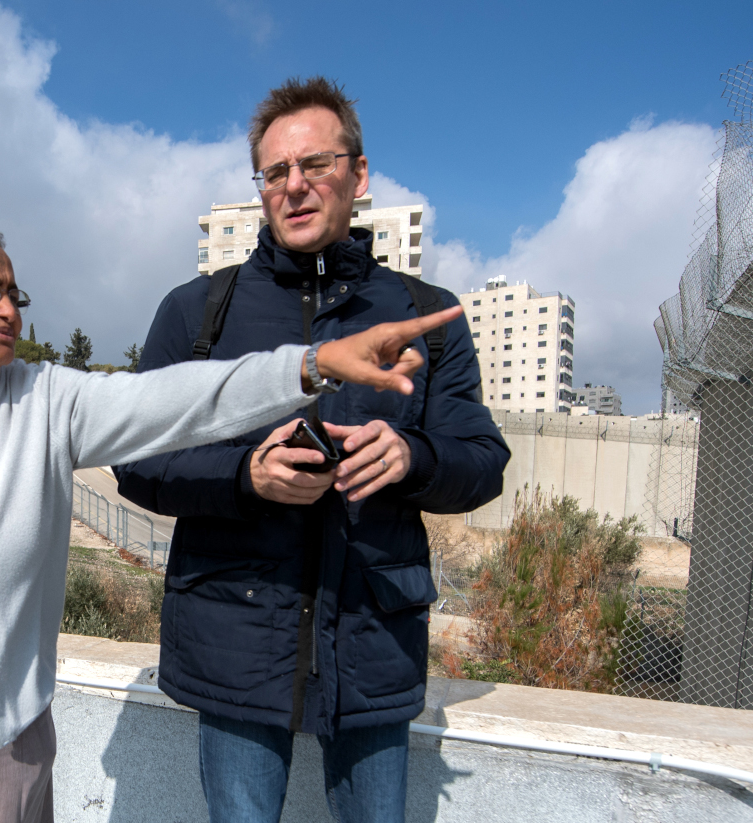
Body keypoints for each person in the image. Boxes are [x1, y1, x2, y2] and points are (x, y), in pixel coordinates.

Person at [0, 213, 461, 823]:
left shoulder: (47, 399)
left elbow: (183, 398)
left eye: (15, 293)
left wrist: (311, 365)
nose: (9, 309)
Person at [115, 77, 509, 823]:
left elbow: (481, 459)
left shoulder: (426, 316)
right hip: (234, 638)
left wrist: (411, 458)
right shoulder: (198, 311)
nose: (295, 186)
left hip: (373, 639)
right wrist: (246, 474)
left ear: (358, 175)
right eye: (275, 172)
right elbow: (135, 458)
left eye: (317, 165)